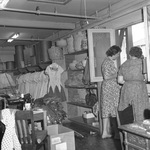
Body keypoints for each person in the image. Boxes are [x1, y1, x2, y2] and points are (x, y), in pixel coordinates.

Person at [118, 46, 149, 122]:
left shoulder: (124, 64)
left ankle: (127, 131)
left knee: (127, 110)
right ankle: (140, 130)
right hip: (140, 88)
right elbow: (146, 78)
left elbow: (119, 80)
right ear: (139, 55)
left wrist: (129, 82)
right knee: (141, 109)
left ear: (130, 54)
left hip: (127, 88)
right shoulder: (142, 63)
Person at [101, 45, 121, 139]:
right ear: (114, 53)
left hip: (108, 88)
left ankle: (105, 132)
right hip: (110, 88)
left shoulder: (108, 61)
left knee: (107, 109)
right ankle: (116, 133)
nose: (118, 55)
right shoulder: (108, 62)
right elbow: (106, 77)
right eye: (118, 54)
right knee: (112, 109)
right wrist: (117, 75)